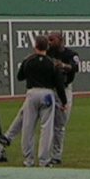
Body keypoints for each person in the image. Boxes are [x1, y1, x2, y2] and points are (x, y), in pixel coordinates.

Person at [15, 34, 67, 167]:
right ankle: (44, 160)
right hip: (47, 94)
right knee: (46, 128)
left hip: (32, 93)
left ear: (35, 46)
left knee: (28, 127)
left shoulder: (28, 60)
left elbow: (19, 77)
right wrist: (64, 101)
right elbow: (59, 84)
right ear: (47, 47)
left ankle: (28, 160)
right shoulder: (52, 63)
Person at [46, 31, 80, 166]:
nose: (49, 42)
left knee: (60, 125)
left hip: (65, 89)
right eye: (48, 40)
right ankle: (44, 155)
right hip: (49, 90)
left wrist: (64, 66)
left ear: (60, 40)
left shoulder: (71, 54)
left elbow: (75, 67)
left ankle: (57, 155)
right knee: (46, 124)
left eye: (52, 39)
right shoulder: (48, 53)